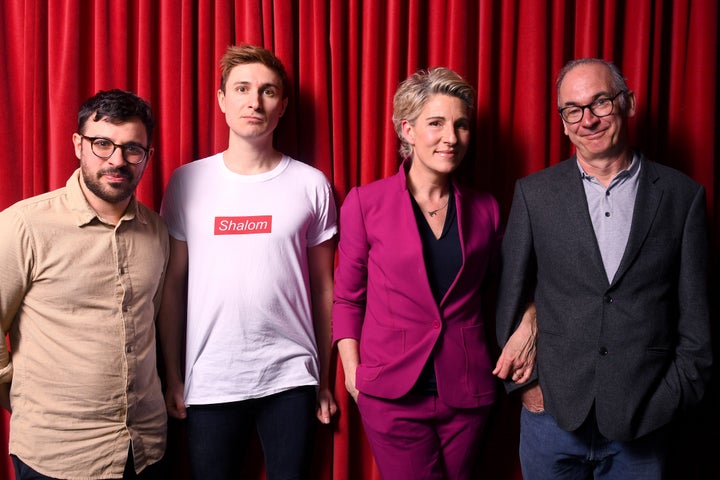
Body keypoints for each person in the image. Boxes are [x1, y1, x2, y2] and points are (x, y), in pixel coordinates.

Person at [495, 58, 712, 479]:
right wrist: (527, 389)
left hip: (642, 426)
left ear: (627, 103)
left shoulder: (682, 198)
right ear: (562, 122)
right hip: (551, 421)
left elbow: (696, 325)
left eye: (600, 103)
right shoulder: (534, 195)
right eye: (572, 110)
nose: (587, 120)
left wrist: (663, 403)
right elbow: (509, 298)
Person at [332, 67, 536, 480]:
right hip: (391, 394)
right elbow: (348, 297)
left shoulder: (487, 208)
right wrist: (354, 376)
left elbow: (508, 289)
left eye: (461, 125)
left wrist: (531, 320)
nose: (451, 137)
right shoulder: (364, 203)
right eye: (436, 123)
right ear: (407, 129)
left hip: (467, 392)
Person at [158, 44, 338, 479]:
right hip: (212, 376)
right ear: (221, 100)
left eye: (267, 91)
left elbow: (324, 288)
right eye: (242, 89)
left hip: (291, 376)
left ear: (282, 106)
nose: (254, 102)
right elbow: (172, 286)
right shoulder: (187, 181)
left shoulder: (311, 184)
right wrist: (174, 376)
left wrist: (325, 380)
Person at [0, 89, 168, 479]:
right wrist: (17, 392)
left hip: (145, 450)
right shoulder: (23, 225)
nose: (117, 160)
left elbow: (150, 323)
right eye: (102, 144)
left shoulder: (157, 231)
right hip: (59, 454)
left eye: (132, 149)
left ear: (147, 156)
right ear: (78, 144)